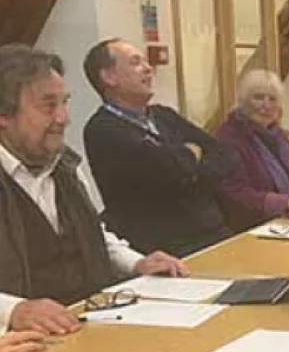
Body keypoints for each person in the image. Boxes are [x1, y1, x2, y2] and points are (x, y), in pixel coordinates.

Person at [0, 44, 186, 336]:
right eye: (49, 106)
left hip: (90, 323)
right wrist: (14, 310)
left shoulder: (66, 168)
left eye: (65, 103)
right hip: (24, 347)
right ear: (4, 115)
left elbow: (94, 232)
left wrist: (137, 262)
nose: (64, 118)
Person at [83, 38, 233, 257]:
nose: (148, 69)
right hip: (163, 249)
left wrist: (191, 172)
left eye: (145, 61)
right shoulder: (103, 130)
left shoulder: (164, 115)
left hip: (213, 232)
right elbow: (171, 170)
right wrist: (192, 154)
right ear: (109, 77)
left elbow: (225, 156)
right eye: (136, 63)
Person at [215, 69, 289, 232]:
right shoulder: (229, 139)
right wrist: (286, 203)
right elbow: (234, 195)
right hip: (250, 232)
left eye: (272, 99)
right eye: (258, 97)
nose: (266, 105)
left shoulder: (282, 140)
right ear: (243, 100)